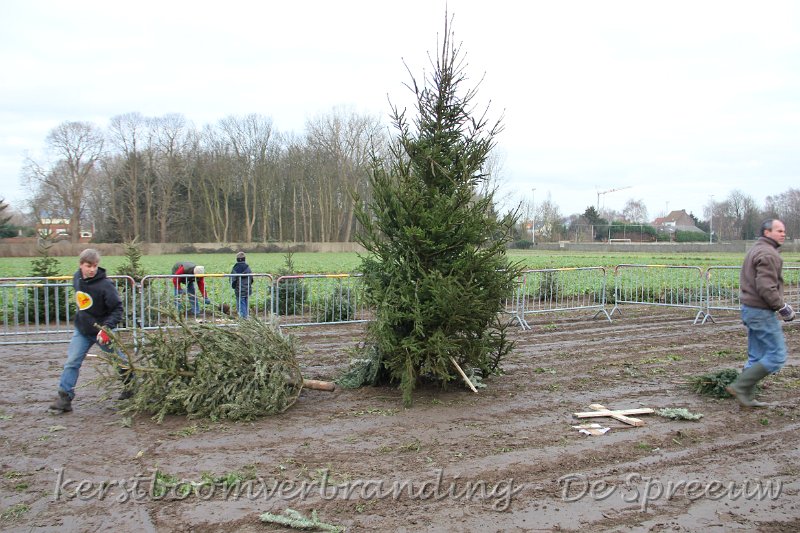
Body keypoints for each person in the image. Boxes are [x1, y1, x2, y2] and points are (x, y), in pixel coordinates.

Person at [726, 219, 794, 407]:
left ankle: (745, 397)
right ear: (767, 232)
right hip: (762, 312)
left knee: (756, 356)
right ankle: (740, 386)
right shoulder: (768, 254)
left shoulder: (756, 249)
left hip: (750, 310)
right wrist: (783, 307)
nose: (783, 234)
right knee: (777, 356)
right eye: (779, 230)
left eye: (784, 231)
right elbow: (766, 287)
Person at [50, 249, 127, 413]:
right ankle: (65, 398)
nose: (92, 269)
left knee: (118, 360)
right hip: (82, 331)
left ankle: (131, 386)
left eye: (95, 266)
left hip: (102, 332)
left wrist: (107, 328)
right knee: (72, 362)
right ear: (81, 265)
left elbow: (117, 309)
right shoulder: (76, 278)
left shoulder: (106, 285)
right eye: (88, 266)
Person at [230, 251, 254, 318]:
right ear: (244, 259)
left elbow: (233, 279)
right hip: (247, 289)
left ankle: (244, 318)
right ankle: (247, 316)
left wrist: (234, 286)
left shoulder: (235, 268)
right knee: (246, 303)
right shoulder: (248, 268)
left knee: (240, 304)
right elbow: (251, 278)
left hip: (239, 290)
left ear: (237, 259)